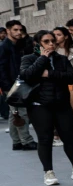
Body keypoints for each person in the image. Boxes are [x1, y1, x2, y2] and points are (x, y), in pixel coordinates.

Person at [19, 31, 73, 185]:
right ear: (38, 44)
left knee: (69, 137)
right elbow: (27, 75)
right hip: (39, 106)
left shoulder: (61, 59)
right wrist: (43, 59)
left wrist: (49, 73)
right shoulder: (28, 58)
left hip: (61, 104)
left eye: (52, 41)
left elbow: (72, 77)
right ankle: (48, 172)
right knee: (45, 139)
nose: (51, 44)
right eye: (46, 41)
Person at [1, 19, 37, 150]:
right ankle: (26, 141)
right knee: (21, 112)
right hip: (11, 85)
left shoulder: (17, 45)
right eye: (15, 30)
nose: (18, 32)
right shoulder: (4, 47)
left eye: (20, 30)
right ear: (8, 31)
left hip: (17, 83)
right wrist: (7, 86)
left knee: (14, 113)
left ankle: (16, 141)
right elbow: (1, 68)